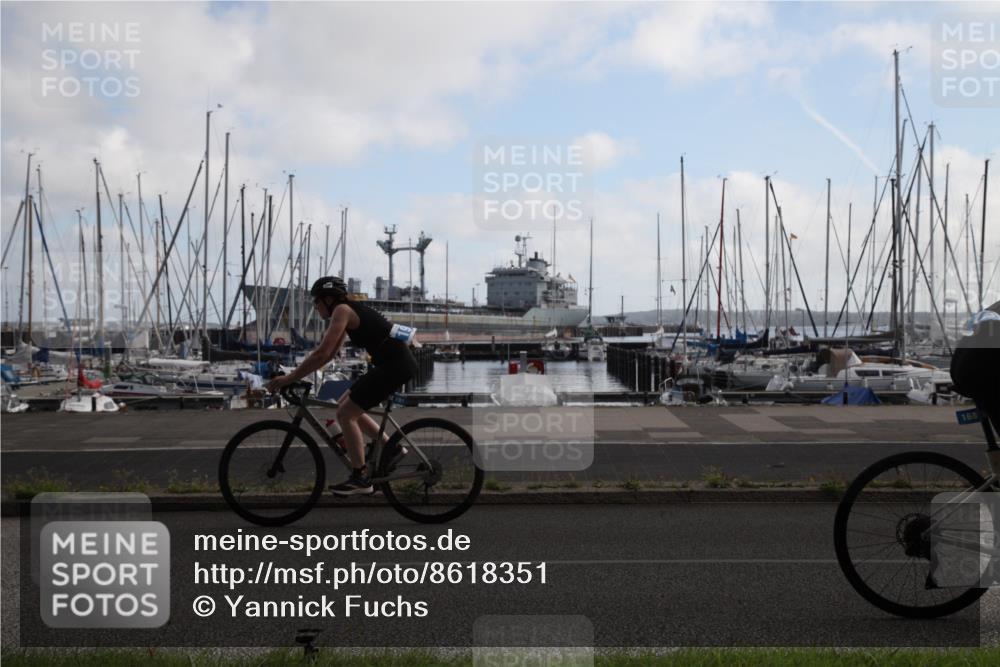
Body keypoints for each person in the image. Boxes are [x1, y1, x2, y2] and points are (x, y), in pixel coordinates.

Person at [265, 277, 419, 495]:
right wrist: (298, 375)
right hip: (391, 364)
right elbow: (327, 357)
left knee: (347, 414)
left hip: (395, 366)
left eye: (316, 301)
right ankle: (390, 449)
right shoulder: (347, 311)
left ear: (329, 299)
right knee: (344, 404)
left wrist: (288, 378)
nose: (315, 306)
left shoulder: (342, 311)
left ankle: (361, 477)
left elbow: (321, 354)